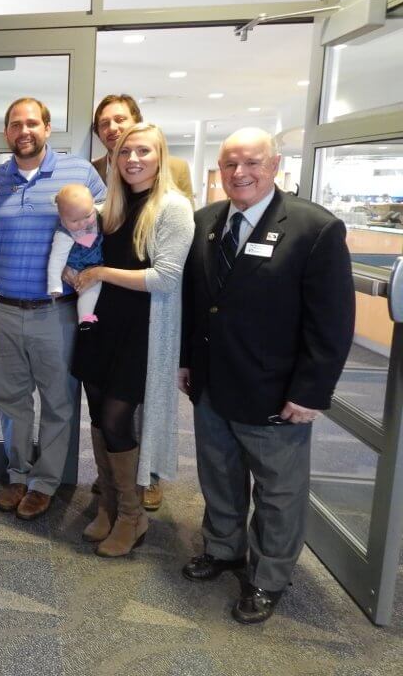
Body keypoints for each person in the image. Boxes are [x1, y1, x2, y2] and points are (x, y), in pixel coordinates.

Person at [179, 127, 353, 625]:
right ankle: (224, 548)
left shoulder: (314, 228)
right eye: (230, 164)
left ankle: (269, 577)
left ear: (275, 166)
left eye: (252, 163)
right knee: (219, 476)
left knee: (278, 491)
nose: (240, 173)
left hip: (276, 392)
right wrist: (188, 361)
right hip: (212, 384)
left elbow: (332, 323)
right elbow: (200, 304)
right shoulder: (206, 221)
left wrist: (312, 391)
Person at [71, 122, 193, 557]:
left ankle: (131, 515)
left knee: (119, 418)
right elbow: (82, 251)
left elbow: (166, 278)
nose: (133, 160)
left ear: (160, 157)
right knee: (99, 417)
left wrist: (100, 273)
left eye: (143, 151)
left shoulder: (173, 207)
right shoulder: (110, 206)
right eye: (125, 153)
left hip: (141, 330)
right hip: (100, 325)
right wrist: (74, 270)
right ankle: (107, 503)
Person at [0, 98, 105, 521]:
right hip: (2, 308)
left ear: (48, 128)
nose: (24, 131)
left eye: (32, 123)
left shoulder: (80, 173)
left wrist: (86, 269)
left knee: (58, 400)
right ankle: (18, 474)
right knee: (11, 399)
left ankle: (45, 482)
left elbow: (106, 225)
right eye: (15, 124)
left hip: (55, 312)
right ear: (6, 133)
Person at [47, 184, 105, 326]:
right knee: (89, 290)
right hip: (77, 268)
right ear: (62, 218)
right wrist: (54, 285)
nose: (82, 224)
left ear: (93, 205)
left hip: (97, 263)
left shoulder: (98, 213)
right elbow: (56, 260)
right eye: (74, 221)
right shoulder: (64, 233)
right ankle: (85, 318)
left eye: (87, 216)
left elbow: (108, 206)